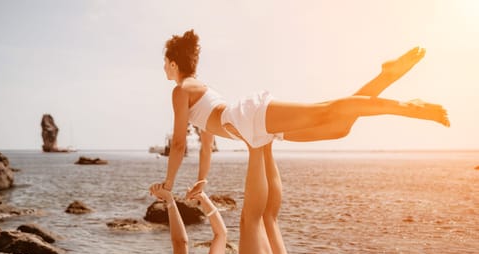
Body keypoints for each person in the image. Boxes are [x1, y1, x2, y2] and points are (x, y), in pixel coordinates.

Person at [153, 29, 449, 195]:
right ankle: (386, 76)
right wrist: (203, 179)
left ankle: (410, 107)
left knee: (327, 111)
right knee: (339, 126)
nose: (164, 68)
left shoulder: (181, 91)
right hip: (255, 128)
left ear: (174, 63)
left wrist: (168, 185)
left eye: (165, 62)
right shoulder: (199, 88)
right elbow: (206, 144)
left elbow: (179, 144)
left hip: (250, 118)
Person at [146, 142, 292, 254]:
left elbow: (220, 234)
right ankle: (255, 144)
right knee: (250, 220)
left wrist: (202, 198)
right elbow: (180, 243)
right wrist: (170, 201)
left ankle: (265, 144)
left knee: (269, 218)